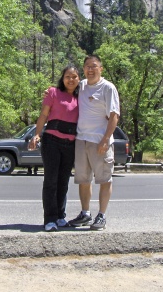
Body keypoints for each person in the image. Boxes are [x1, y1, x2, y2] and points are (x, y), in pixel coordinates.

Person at [69, 55, 120, 231]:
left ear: (101, 68)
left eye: (94, 66)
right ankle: (85, 213)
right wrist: (49, 92)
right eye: (87, 67)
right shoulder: (81, 86)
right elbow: (64, 90)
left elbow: (114, 116)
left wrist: (105, 139)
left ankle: (102, 215)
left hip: (100, 141)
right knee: (83, 180)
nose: (90, 70)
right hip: (81, 140)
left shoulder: (107, 88)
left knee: (104, 179)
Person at [28, 64, 80, 232]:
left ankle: (60, 216)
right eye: (67, 76)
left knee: (63, 182)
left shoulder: (82, 97)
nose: (70, 79)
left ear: (79, 79)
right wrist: (37, 134)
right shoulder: (53, 92)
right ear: (62, 78)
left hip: (70, 144)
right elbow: (44, 114)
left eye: (74, 77)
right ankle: (49, 219)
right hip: (52, 142)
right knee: (51, 181)